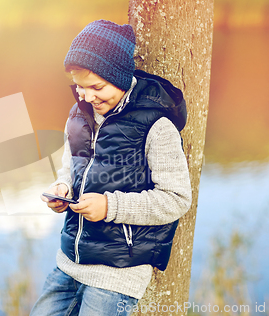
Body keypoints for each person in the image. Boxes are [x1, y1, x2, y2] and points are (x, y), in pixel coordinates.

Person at [30, 19, 192, 316]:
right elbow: (71, 168)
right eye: (80, 87)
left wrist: (109, 206)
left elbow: (177, 199)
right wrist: (62, 188)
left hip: (118, 274)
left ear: (118, 76)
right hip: (69, 262)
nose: (87, 96)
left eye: (97, 87)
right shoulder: (79, 115)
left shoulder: (157, 126)